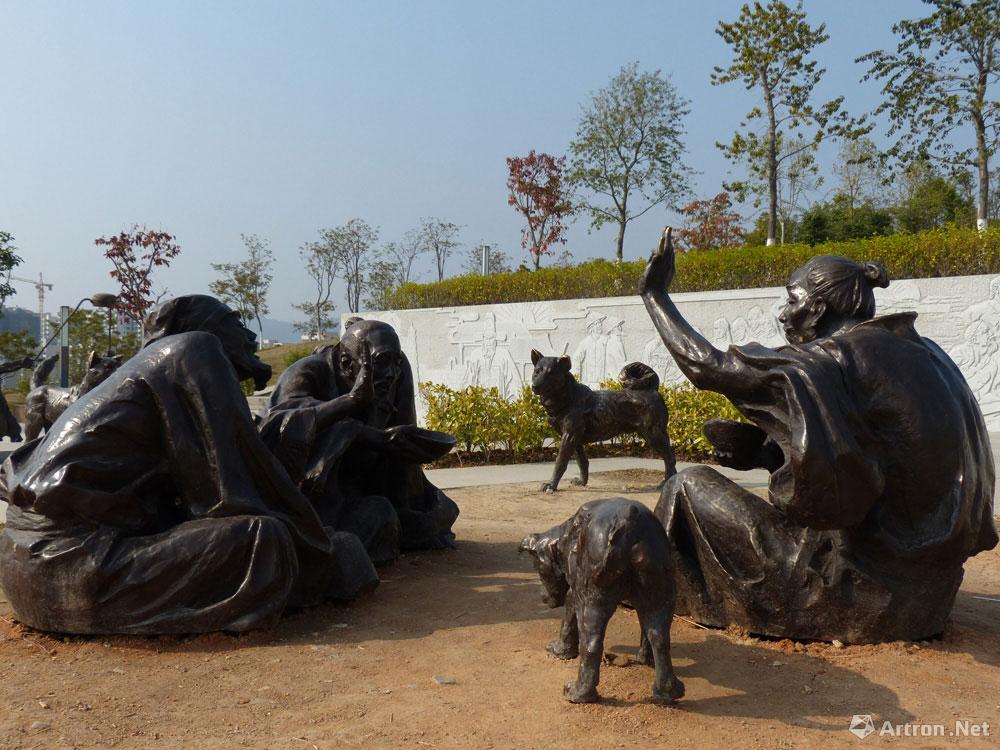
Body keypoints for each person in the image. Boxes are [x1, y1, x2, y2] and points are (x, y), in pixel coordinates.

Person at [639, 228, 998, 643]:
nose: (784, 314)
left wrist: (655, 296)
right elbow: (880, 467)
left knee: (687, 486)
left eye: (792, 300)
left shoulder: (836, 357)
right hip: (930, 592)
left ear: (818, 308)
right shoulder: (930, 354)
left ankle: (650, 591)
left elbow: (711, 368)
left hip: (856, 587)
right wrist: (766, 454)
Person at [0, 295, 377, 635]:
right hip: (73, 564)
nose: (248, 336)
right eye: (235, 322)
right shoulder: (194, 349)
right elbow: (224, 497)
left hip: (20, 564)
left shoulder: (148, 372)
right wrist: (322, 547)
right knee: (265, 540)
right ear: (205, 330)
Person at [260, 318, 459, 563]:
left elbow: (404, 433)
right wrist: (353, 404)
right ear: (345, 363)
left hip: (370, 477)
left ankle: (405, 524)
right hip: (316, 492)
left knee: (438, 510)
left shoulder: (397, 371)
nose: (392, 373)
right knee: (377, 520)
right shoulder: (306, 373)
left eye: (395, 363)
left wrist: (409, 447)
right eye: (381, 362)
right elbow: (282, 429)